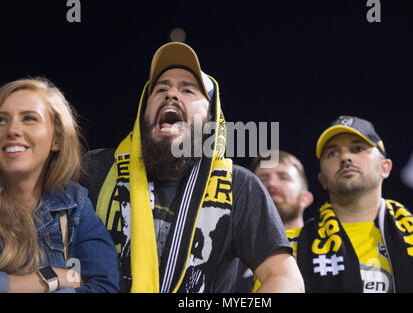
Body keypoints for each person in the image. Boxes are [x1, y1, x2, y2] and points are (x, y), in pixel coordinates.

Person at [80, 42, 304, 293]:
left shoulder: (239, 185)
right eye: (160, 89)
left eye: (188, 90)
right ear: (143, 112)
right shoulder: (96, 168)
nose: (171, 95)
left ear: (211, 117)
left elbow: (285, 279)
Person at [297, 115, 413, 293]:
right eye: (333, 153)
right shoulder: (294, 243)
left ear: (385, 168)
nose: (345, 157)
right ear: (322, 179)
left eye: (358, 148)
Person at [0, 78, 120, 293]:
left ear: (56, 140)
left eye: (29, 118)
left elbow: (104, 286)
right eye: (1, 120)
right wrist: (53, 278)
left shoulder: (74, 203)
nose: (12, 130)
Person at [235, 150, 314, 292]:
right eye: (262, 180)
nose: (271, 184)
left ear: (305, 198)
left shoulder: (328, 248)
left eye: (283, 177)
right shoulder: (231, 257)